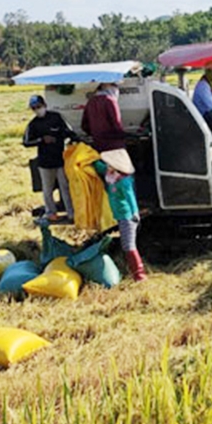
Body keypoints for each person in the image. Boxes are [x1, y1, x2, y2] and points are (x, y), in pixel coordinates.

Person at [23, 95, 76, 223]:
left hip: (60, 159)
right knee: (47, 190)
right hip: (44, 163)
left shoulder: (56, 117)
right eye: (34, 108)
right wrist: (41, 140)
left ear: (45, 105)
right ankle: (51, 213)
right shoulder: (33, 124)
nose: (37, 110)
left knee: (66, 188)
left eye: (39, 107)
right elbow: (26, 142)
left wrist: (64, 139)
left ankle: (71, 213)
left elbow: (69, 132)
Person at [98, 148, 146, 282]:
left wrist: (135, 213)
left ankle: (139, 275)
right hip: (119, 215)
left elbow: (130, 198)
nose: (107, 166)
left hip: (127, 216)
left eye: (109, 164)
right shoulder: (111, 175)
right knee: (126, 245)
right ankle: (135, 273)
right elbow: (99, 167)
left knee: (129, 246)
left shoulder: (124, 182)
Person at [81, 82, 126, 152]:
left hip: (98, 142)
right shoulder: (110, 101)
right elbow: (116, 122)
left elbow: (84, 125)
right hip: (113, 143)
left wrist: (95, 134)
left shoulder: (90, 102)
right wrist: (123, 135)